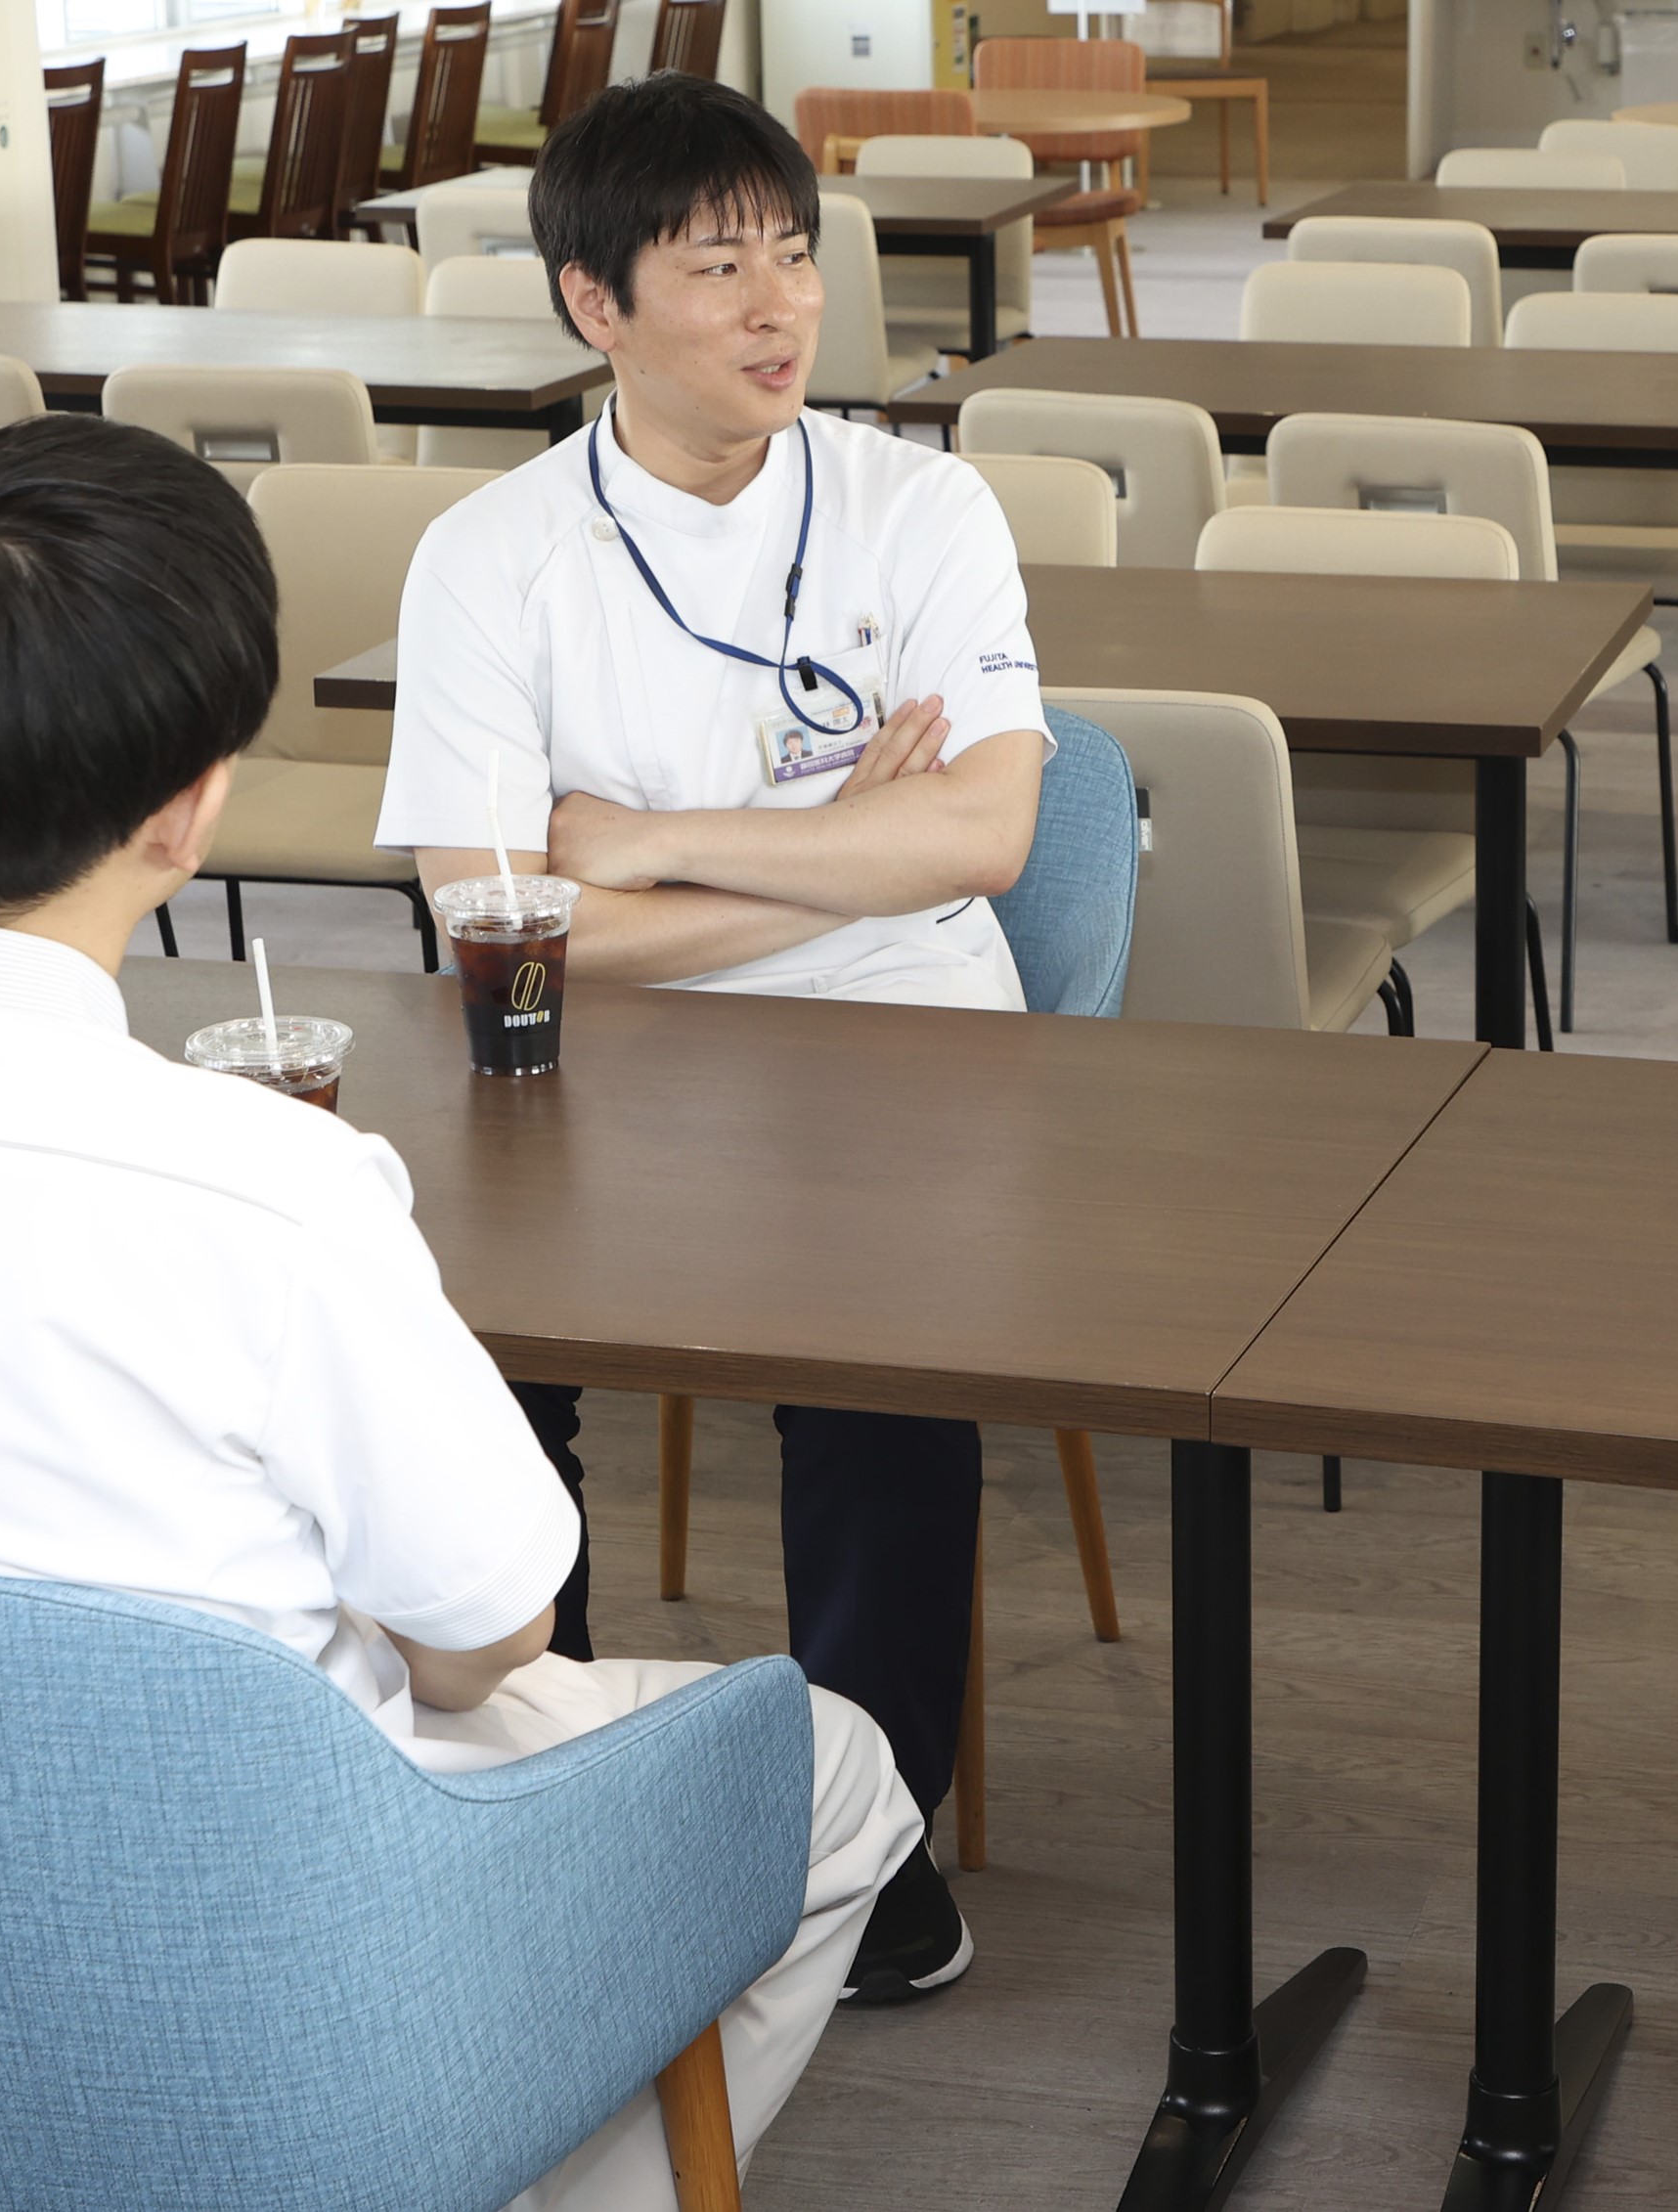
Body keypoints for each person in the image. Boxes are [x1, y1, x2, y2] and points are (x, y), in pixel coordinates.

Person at [0, 415, 926, 2206]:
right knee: (832, 1767)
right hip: (242, 1972)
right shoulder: (262, 1183)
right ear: (187, 808)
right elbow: (490, 1632)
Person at [374, 73, 1050, 2005]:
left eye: (793, 259)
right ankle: (561, 1808)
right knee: (487, 1359)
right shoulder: (492, 555)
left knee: (882, 1381)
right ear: (594, 303)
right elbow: (498, 926)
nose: (779, 309)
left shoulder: (921, 505)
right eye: (717, 268)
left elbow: (987, 837)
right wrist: (850, 859)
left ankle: (875, 1838)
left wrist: (648, 846)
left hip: (902, 1037)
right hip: (597, 1063)